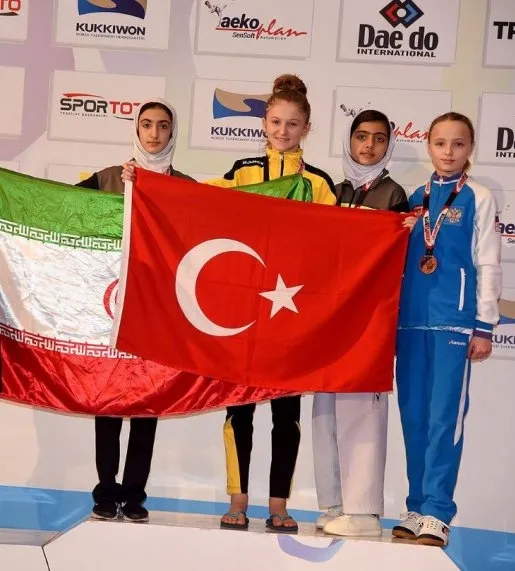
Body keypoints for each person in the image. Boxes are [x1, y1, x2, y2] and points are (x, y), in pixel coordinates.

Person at [206, 74, 336, 533]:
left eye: (293, 124)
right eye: (277, 122)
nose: (283, 131)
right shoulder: (241, 172)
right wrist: (144, 184)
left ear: (307, 128)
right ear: (264, 122)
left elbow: (343, 239)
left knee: (286, 416)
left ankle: (278, 504)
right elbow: (196, 200)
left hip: (290, 315)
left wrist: (392, 228)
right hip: (244, 313)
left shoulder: (319, 183)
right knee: (238, 410)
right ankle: (238, 499)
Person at [78, 98, 194, 523]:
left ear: (172, 132)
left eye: (163, 126)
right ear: (136, 129)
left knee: (147, 404)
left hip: (160, 313)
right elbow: (61, 211)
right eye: (146, 124)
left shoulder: (187, 187)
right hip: (111, 308)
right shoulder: (108, 178)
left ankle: (135, 494)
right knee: (108, 400)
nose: (154, 134)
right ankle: (105, 491)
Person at [392, 112, 502, 546]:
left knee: (444, 419)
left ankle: (438, 510)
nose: (448, 152)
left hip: (454, 323)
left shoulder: (479, 196)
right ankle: (416, 505)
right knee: (413, 417)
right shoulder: (413, 197)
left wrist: (484, 325)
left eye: (458, 144)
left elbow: (488, 261)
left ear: (470, 147)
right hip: (410, 323)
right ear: (429, 146)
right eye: (440, 143)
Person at [312, 109, 416, 537]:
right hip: (330, 320)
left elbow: (397, 260)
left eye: (378, 138)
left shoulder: (394, 195)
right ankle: (335, 503)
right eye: (361, 136)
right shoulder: (332, 192)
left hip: (369, 320)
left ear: (388, 144)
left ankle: (364, 511)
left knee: (361, 411)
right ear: (349, 141)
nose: (368, 145)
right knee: (325, 411)